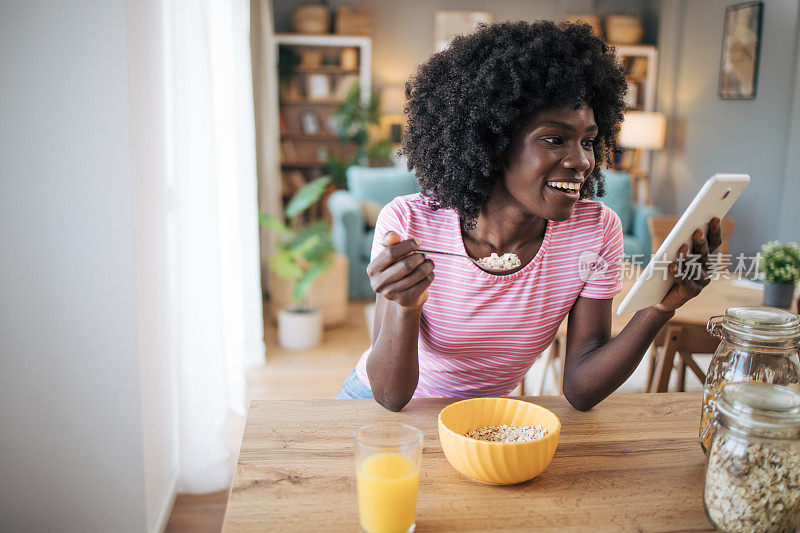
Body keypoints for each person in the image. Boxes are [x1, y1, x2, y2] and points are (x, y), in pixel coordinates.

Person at [335, 21, 721, 411]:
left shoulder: (595, 230)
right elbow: (390, 396)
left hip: (484, 421)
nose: (582, 160)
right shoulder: (410, 225)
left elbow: (581, 389)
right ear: (493, 144)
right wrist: (405, 305)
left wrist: (659, 308)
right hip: (380, 410)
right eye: (554, 139)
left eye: (588, 140)